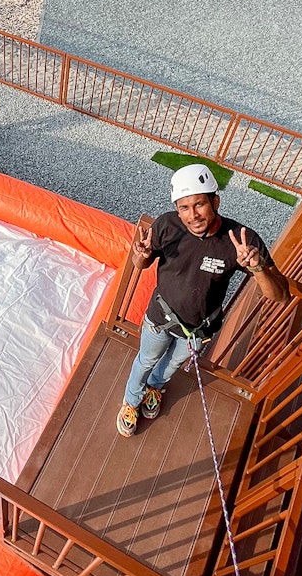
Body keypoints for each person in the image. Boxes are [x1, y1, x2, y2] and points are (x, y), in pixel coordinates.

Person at [116, 164, 290, 437]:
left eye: (199, 204)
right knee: (146, 360)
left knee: (171, 365)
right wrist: (141, 254)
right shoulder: (167, 226)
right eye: (184, 208)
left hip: (198, 330)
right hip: (160, 319)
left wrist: (256, 267)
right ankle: (131, 400)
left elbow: (280, 295)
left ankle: (155, 387)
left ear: (215, 201)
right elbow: (142, 263)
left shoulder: (239, 241)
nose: (193, 215)